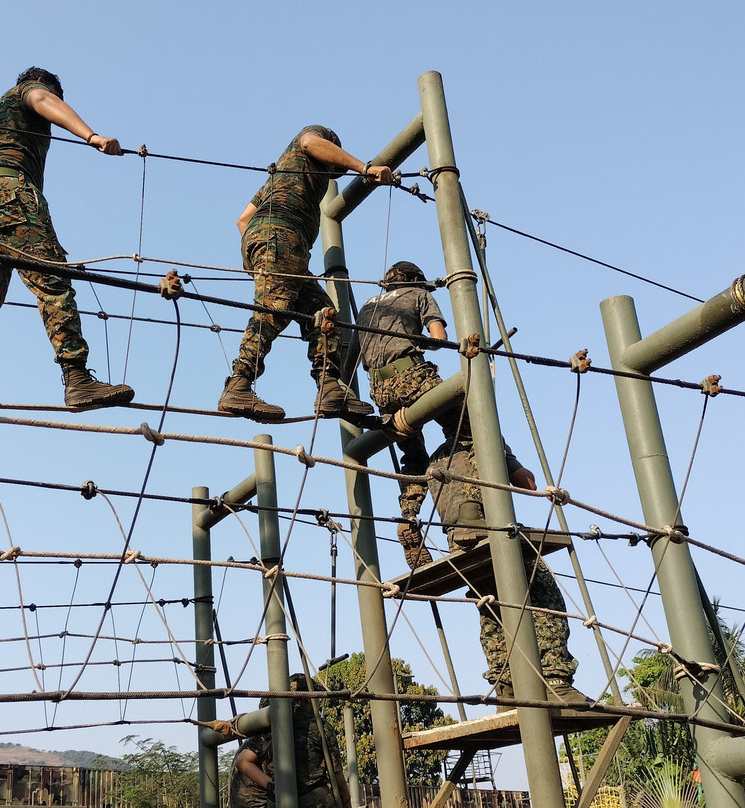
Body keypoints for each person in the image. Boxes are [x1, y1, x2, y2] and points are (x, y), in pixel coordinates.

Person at [0, 67, 134, 411]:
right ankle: (77, 378)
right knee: (51, 279)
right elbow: (42, 98)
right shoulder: (28, 93)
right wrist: (91, 136)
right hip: (9, 195)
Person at [218, 126, 392, 422]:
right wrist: (364, 168)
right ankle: (239, 383)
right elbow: (310, 142)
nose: (334, 172)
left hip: (279, 243)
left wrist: (259, 262)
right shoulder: (311, 142)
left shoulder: (278, 178)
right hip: (282, 235)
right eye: (334, 168)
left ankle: (329, 388)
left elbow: (243, 219)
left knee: (323, 314)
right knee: (275, 309)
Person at [426, 438, 589, 708]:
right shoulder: (485, 437)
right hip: (492, 531)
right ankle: (555, 681)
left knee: (492, 607)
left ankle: (506, 688)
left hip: (456, 542)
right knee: (543, 595)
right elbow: (527, 483)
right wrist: (507, 455)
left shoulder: (436, 456)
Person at [355, 260, 463, 568]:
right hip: (413, 377)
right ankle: (464, 517)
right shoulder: (419, 294)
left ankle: (409, 517)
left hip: (381, 394)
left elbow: (351, 363)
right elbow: (439, 339)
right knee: (468, 432)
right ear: (415, 280)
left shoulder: (366, 308)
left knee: (414, 456)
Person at [230, 674, 352, 808]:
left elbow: (242, 761)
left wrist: (272, 786)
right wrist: (346, 800)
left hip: (280, 798)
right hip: (314, 800)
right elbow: (338, 778)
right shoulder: (321, 727)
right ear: (307, 699)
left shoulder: (270, 727)